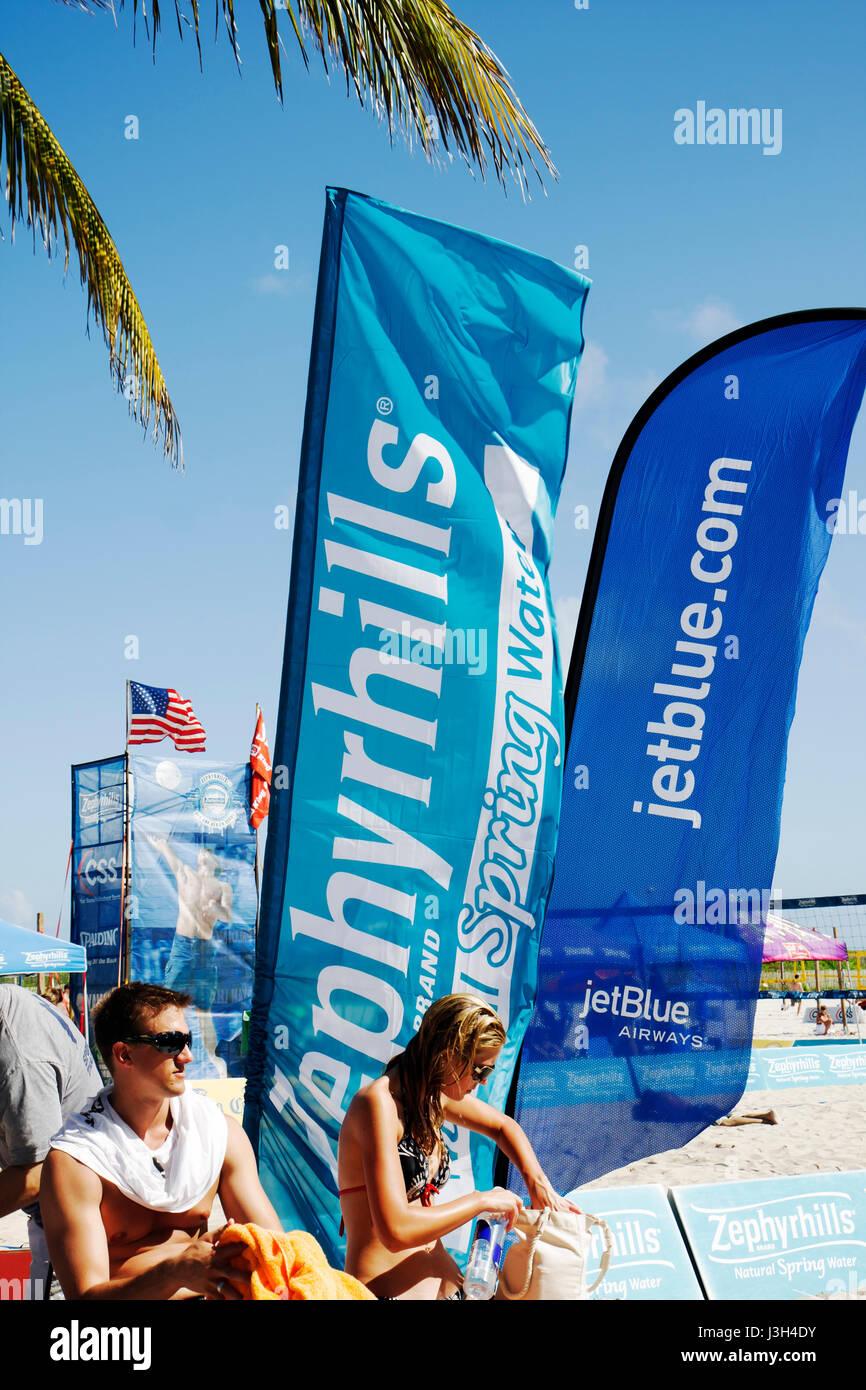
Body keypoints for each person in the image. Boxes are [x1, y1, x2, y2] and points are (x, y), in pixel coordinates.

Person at [39, 981, 280, 1300]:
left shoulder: (217, 1134)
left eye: (188, 1040)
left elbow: (276, 1249)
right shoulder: (76, 1161)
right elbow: (85, 1297)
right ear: (124, 1054)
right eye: (170, 1042)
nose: (188, 1057)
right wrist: (172, 1273)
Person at [337, 992, 581, 1301]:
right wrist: (482, 1200)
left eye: (489, 1071)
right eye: (479, 1070)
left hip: (454, 1289)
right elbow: (395, 1231)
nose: (482, 1083)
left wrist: (537, 1183)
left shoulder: (430, 1096)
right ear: (447, 1053)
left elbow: (504, 1127)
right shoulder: (378, 1104)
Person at [0, 982, 100, 1295]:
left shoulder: (21, 1057)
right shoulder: (14, 1001)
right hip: (70, 1220)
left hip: (71, 1231)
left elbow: (36, 1173)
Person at [148, 835, 233, 1077]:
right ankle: (164, 1057)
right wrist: (162, 843)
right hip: (184, 945)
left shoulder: (222, 888)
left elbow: (227, 915)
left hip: (205, 950)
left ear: (215, 864)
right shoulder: (187, 875)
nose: (203, 862)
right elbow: (171, 858)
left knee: (203, 1010)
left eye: (208, 859)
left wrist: (214, 907)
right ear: (197, 861)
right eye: (201, 858)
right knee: (168, 1004)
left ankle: (212, 1058)